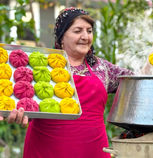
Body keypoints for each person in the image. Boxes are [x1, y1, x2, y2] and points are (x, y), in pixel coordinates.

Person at [0, 7, 134, 158]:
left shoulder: (103, 68)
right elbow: (29, 102)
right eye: (78, 31)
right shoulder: (41, 65)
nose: (85, 36)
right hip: (47, 149)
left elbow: (136, 84)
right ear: (62, 37)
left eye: (89, 31)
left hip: (93, 149)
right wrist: (20, 113)